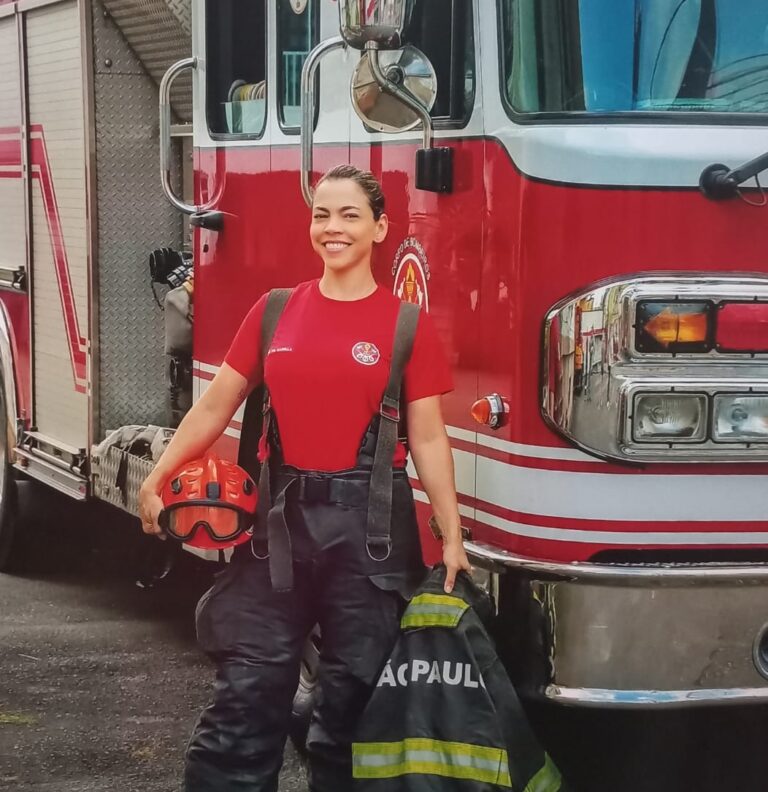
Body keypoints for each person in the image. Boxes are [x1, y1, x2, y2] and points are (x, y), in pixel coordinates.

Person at [138, 164, 471, 792]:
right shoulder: (274, 312)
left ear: (380, 227)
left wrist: (451, 536)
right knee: (247, 692)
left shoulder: (406, 325)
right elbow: (215, 405)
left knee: (354, 706)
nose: (333, 227)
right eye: (322, 214)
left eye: (349, 215)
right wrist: (160, 474)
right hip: (277, 533)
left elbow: (428, 437)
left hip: (370, 540)